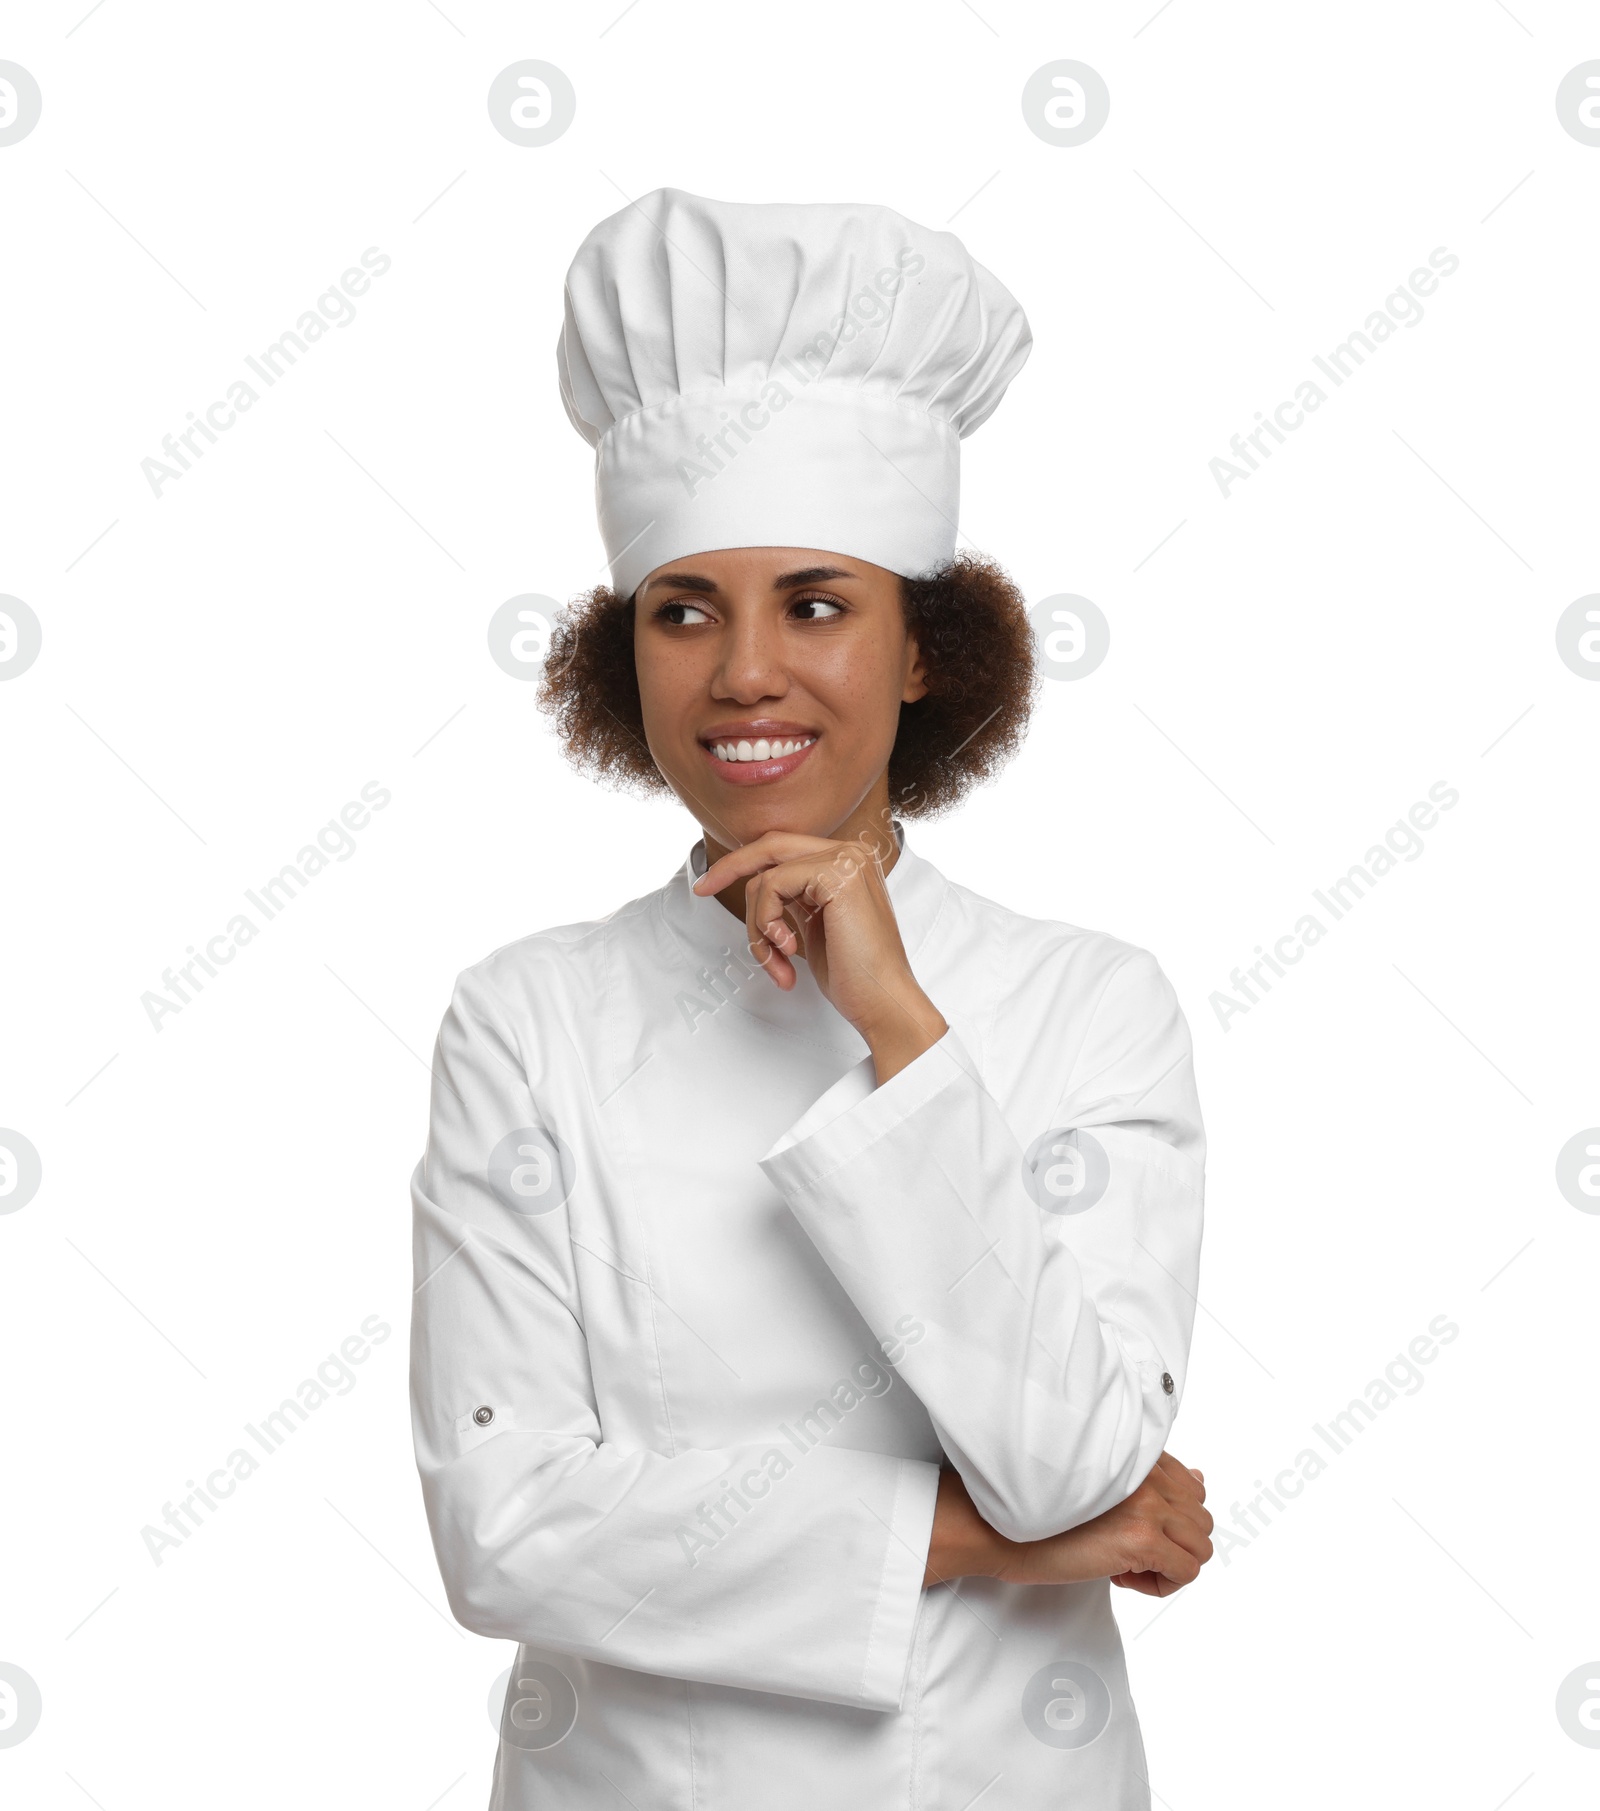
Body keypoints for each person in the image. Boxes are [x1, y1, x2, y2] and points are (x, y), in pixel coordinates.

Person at [410, 188, 1212, 1810]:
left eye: (818, 603)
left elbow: (1076, 1456)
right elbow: (505, 1531)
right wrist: (986, 1542)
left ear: (927, 650)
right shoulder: (527, 1021)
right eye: (683, 609)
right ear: (619, 652)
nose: (746, 673)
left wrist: (902, 1031)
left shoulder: (1087, 1006)